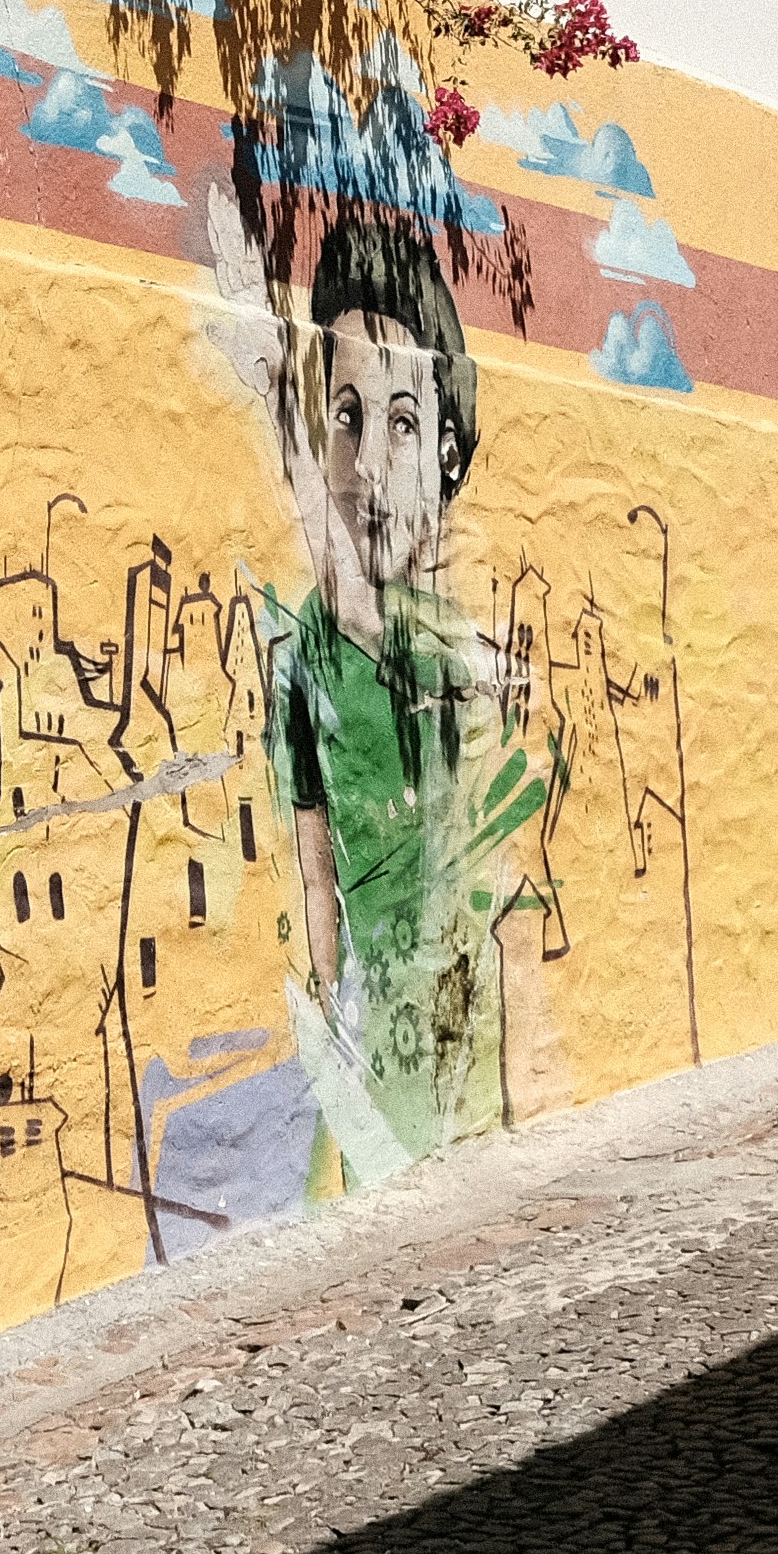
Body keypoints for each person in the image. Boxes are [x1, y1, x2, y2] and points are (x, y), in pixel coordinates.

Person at [205, 180, 545, 1174]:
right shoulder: (314, 649)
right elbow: (313, 869)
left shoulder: (451, 642)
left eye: (400, 420)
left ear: (446, 448)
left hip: (469, 1028)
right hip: (379, 1052)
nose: (364, 457)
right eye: (343, 415)